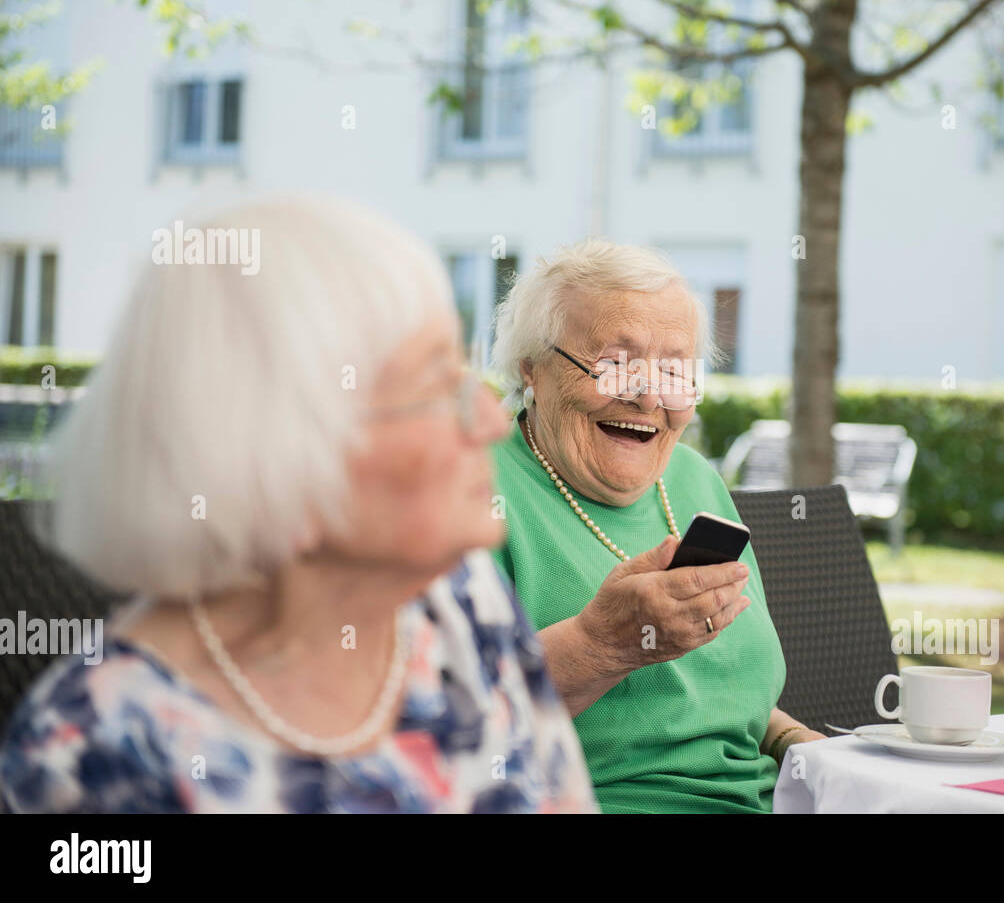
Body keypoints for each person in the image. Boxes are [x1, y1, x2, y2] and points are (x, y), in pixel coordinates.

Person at [0, 196, 596, 813]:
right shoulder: (97, 757)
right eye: (439, 388)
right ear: (282, 456)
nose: (489, 421)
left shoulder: (460, 601)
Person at [490, 238, 824, 814]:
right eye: (615, 363)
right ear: (532, 369)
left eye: (673, 369)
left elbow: (716, 689)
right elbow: (438, 722)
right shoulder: (469, 485)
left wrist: (794, 741)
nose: (648, 396)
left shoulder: (693, 477)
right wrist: (599, 646)